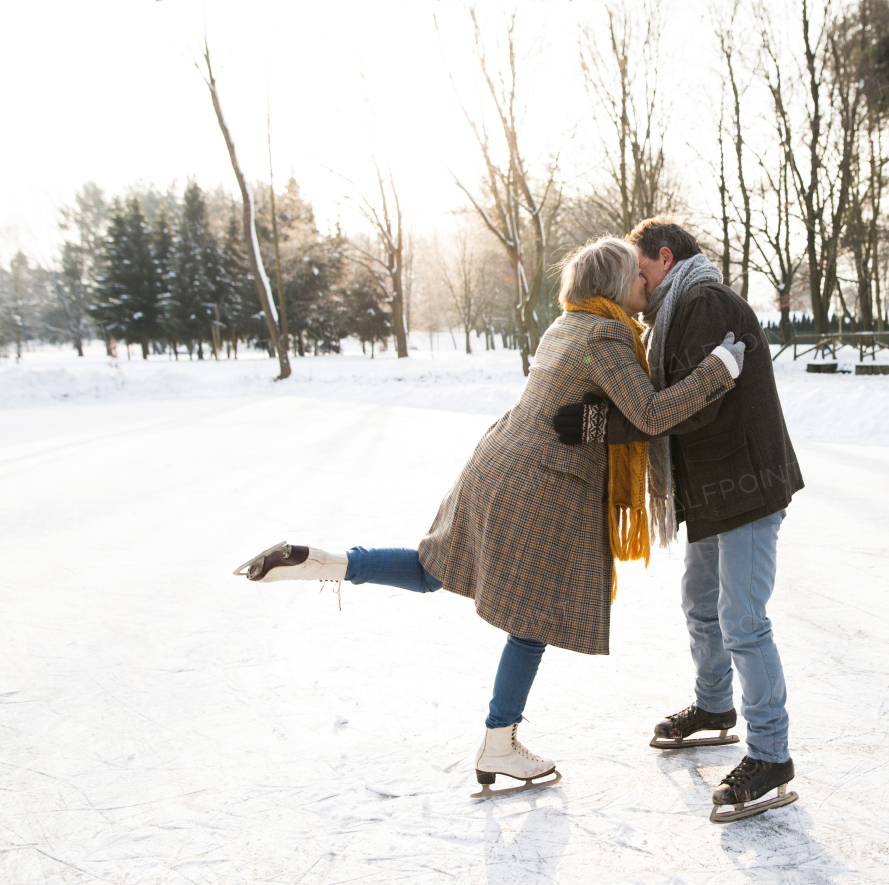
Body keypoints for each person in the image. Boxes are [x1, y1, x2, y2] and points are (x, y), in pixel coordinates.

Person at [234, 236, 746, 796]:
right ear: (614, 285)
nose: (644, 285)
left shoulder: (566, 326)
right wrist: (716, 370)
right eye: (636, 277)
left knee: (434, 569)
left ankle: (322, 563)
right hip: (539, 482)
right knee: (533, 617)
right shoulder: (604, 335)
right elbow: (648, 414)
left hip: (497, 461)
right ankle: (499, 743)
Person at [554, 217, 804, 821]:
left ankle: (771, 753)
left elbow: (688, 408)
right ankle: (715, 706)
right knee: (700, 605)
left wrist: (602, 427)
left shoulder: (701, 301)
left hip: (745, 485)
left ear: (664, 259)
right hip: (715, 491)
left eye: (638, 271)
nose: (633, 286)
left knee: (742, 619)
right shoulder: (673, 310)